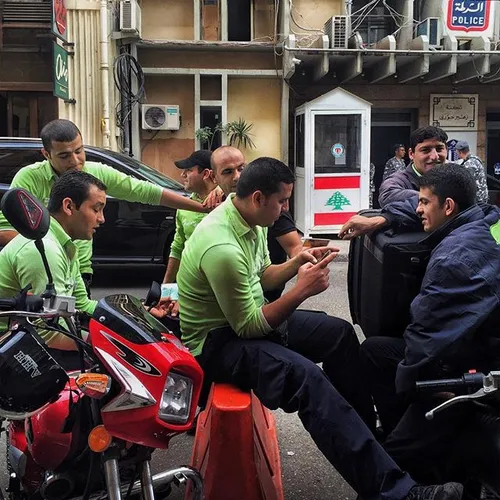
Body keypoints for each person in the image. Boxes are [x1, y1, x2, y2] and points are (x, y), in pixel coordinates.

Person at [177, 156, 463, 500]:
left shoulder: (249, 220)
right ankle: (394, 492)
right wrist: (302, 290)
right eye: (282, 201)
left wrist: (297, 262)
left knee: (339, 335)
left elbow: (263, 276)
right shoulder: (220, 245)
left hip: (246, 319)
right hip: (219, 343)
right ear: (258, 198)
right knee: (306, 378)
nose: (285, 209)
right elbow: (249, 328)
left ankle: (372, 445)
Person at [341, 164, 500, 481]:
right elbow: (400, 202)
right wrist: (382, 217)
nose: (418, 209)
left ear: (448, 206)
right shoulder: (484, 219)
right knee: (375, 351)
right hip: (479, 345)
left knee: (390, 465)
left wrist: (411, 386)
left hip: (473, 368)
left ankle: (416, 459)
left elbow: (428, 337)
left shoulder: (455, 257)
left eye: (425, 203)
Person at [0, 119, 207, 292]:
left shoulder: (95, 172)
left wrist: (203, 207)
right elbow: (6, 230)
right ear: (46, 154)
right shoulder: (29, 179)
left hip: (80, 271)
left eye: (79, 151)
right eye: (64, 155)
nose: (75, 161)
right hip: (44, 270)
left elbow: (146, 191)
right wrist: (52, 248)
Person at [0, 170, 170, 369]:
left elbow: (80, 304)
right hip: (9, 347)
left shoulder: (64, 245)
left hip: (29, 336)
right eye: (97, 209)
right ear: (69, 206)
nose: (102, 219)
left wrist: (137, 313)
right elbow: (48, 332)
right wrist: (115, 345)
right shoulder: (45, 250)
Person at [210, 146, 303, 303]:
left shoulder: (267, 207)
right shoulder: (218, 209)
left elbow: (295, 247)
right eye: (228, 172)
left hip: (265, 295)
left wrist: (303, 264)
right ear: (214, 178)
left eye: (241, 169)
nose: (237, 177)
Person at [162, 150, 216, 284]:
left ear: (206, 174)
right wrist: (166, 286)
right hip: (192, 286)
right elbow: (177, 248)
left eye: (188, 170)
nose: (182, 175)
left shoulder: (228, 202)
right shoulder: (184, 208)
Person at [379, 127, 447, 208]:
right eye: (425, 150)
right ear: (411, 154)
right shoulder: (398, 181)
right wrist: (432, 197)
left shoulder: (454, 178)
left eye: (439, 149)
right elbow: (387, 195)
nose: (434, 156)